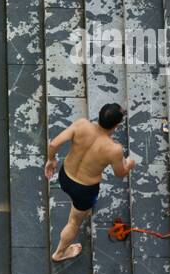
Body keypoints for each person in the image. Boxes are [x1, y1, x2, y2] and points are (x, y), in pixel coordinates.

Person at [44, 104, 136, 261]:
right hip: (84, 189)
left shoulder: (82, 124)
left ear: (99, 114)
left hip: (65, 176)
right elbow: (120, 173)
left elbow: (53, 144)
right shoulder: (114, 149)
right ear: (117, 125)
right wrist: (129, 164)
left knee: (78, 205)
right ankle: (59, 254)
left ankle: (80, 206)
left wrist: (51, 160)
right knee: (73, 222)